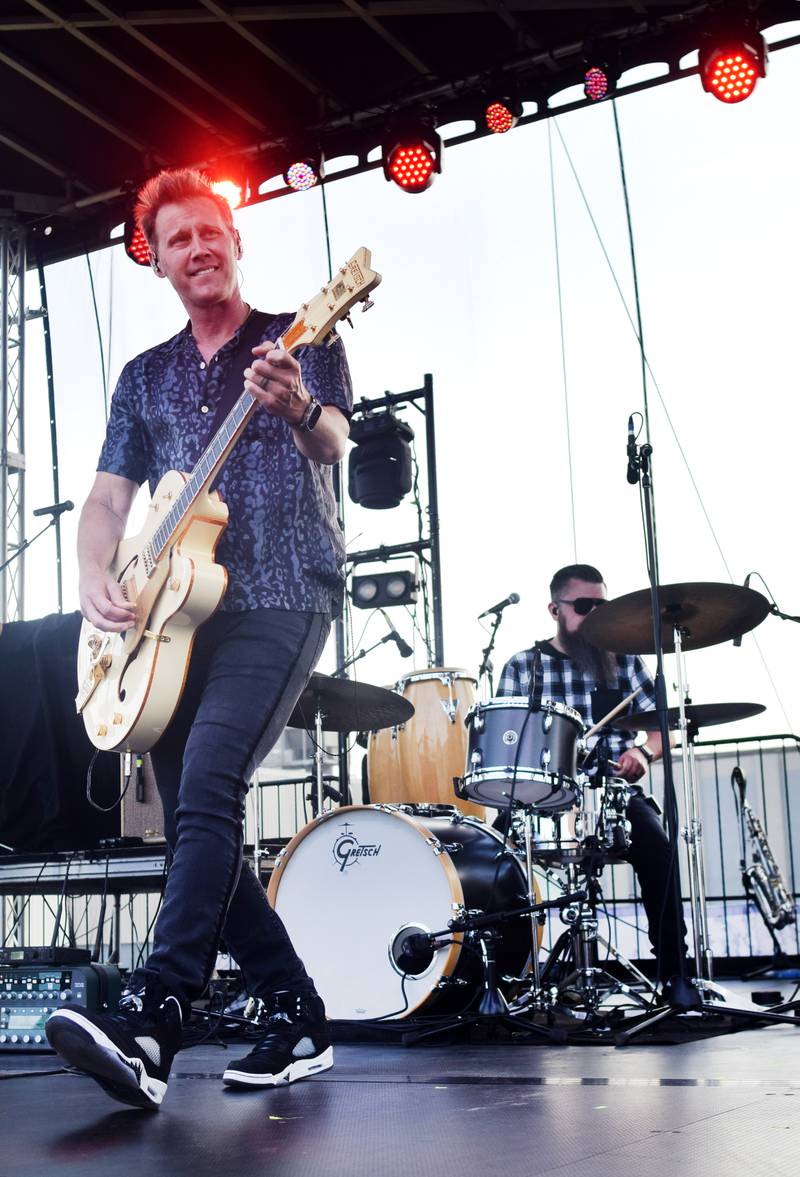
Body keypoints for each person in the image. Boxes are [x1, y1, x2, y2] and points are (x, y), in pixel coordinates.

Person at [46, 167, 352, 1108]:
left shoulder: (300, 335)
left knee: (211, 785)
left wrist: (296, 405)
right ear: (160, 261)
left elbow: (336, 440)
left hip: (282, 591)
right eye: (179, 239)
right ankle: (296, 1010)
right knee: (196, 824)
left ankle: (154, 1018)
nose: (199, 248)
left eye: (212, 231)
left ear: (235, 240)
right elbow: (106, 500)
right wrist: (96, 572)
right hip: (177, 619)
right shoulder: (145, 376)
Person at [497, 563, 688, 991]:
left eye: (603, 606)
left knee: (659, 849)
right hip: (540, 795)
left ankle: (676, 974)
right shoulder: (524, 667)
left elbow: (665, 729)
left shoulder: (624, 663)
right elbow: (506, 740)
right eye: (586, 606)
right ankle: (502, 978)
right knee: (492, 862)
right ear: (554, 609)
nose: (597, 614)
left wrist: (642, 750)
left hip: (610, 793)